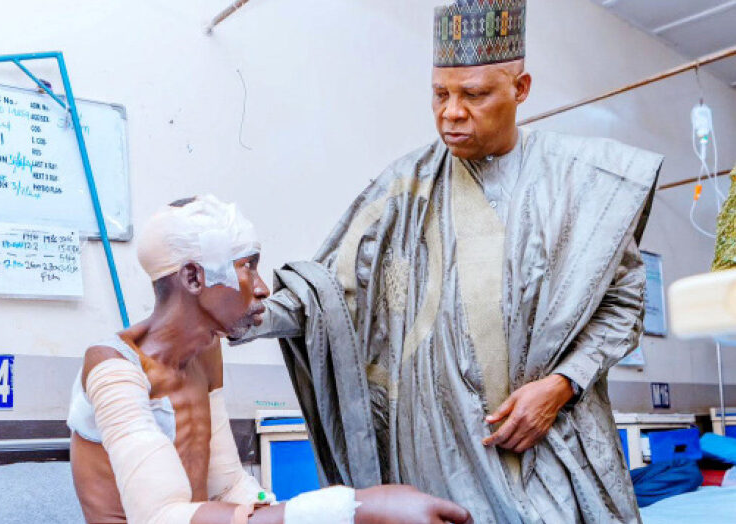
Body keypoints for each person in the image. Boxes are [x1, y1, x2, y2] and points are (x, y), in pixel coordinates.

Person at [232, 1, 664, 522]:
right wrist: (242, 313)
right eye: (440, 94)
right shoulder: (404, 187)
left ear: (520, 89)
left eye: (474, 95)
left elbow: (623, 304)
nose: (451, 112)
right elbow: (329, 289)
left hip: (548, 444)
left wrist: (561, 385)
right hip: (437, 450)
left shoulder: (582, 182)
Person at [67, 195, 472, 524]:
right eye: (248, 267)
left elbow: (227, 487)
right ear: (194, 278)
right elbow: (159, 517)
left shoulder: (207, 350)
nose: (262, 288)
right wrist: (353, 508)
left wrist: (272, 505)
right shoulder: (111, 368)